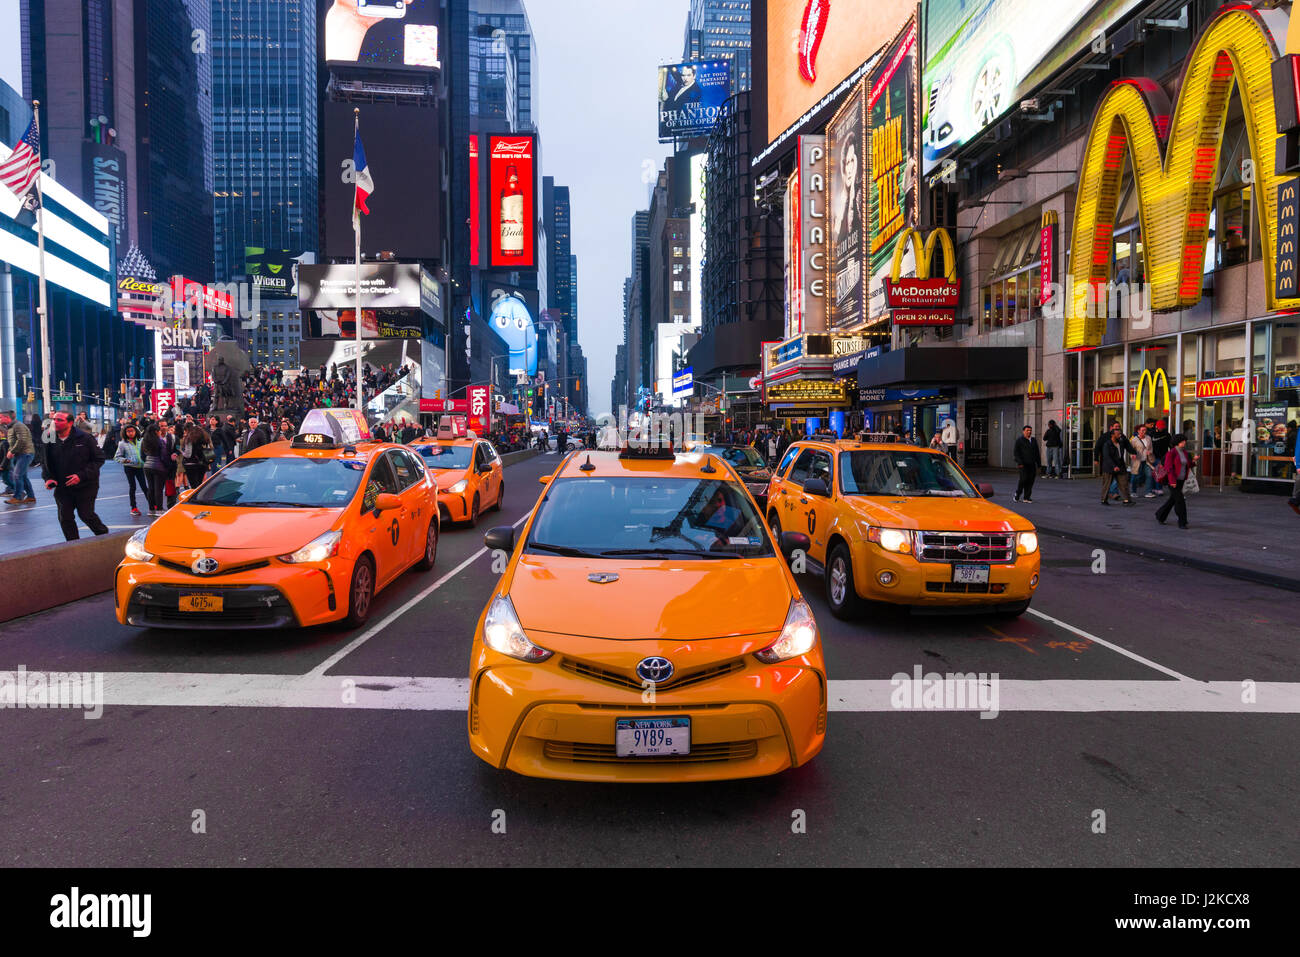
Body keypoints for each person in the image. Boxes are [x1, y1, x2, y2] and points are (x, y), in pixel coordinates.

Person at [41, 410, 109, 540]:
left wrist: (81, 476)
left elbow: (99, 459)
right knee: (65, 518)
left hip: (86, 485)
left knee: (86, 515)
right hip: (62, 486)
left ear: (70, 423)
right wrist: (48, 478)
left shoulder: (85, 438)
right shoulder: (49, 438)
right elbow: (45, 461)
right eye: (54, 419)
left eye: (59, 420)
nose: (55, 422)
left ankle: (104, 538)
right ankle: (73, 545)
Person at [1156, 434, 1193, 528]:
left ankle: (1160, 515)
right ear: (1177, 442)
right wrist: (1172, 481)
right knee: (1180, 501)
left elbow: (1186, 464)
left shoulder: (1184, 452)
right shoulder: (1171, 453)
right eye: (1182, 441)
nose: (1184, 442)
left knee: (1172, 500)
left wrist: (1193, 462)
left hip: (1181, 480)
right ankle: (1182, 522)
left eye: (1184, 440)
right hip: (1173, 481)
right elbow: (1169, 468)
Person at [1, 410, 37, 505]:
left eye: (1, 417)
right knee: (23, 476)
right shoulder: (11, 427)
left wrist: (12, 451)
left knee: (16, 475)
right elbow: (13, 441)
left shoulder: (18, 426)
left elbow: (22, 440)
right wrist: (12, 450)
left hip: (25, 453)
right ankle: (31, 497)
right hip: (20, 454)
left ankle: (17, 497)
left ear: (7, 418)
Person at [113, 423, 148, 516]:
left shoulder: (142, 441)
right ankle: (134, 508)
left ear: (136, 431)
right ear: (125, 433)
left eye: (132, 431)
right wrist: (126, 460)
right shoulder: (122, 444)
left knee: (145, 487)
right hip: (129, 468)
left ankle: (153, 505)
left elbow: (146, 452)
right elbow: (117, 457)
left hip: (141, 467)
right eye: (128, 431)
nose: (130, 433)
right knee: (133, 487)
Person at [1100, 427, 1134, 505]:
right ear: (1112, 435)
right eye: (1118, 434)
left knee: (1124, 483)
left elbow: (1128, 448)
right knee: (1107, 484)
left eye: (1120, 434)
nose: (1120, 435)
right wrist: (1114, 466)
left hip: (1120, 466)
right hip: (1109, 467)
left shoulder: (1121, 443)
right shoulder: (1107, 444)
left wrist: (1134, 452)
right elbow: (1107, 457)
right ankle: (1104, 499)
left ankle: (1127, 500)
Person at [140, 423, 168, 513]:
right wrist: (166, 465)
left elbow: (142, 455)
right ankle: (159, 509)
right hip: (159, 467)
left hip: (147, 467)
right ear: (156, 432)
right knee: (158, 489)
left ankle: (151, 509)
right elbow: (163, 455)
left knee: (151, 488)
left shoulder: (144, 441)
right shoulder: (160, 441)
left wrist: (147, 461)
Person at [180, 423, 212, 491]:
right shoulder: (205, 437)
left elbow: (188, 454)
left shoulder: (189, 438)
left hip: (191, 464)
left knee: (193, 486)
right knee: (199, 484)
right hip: (202, 463)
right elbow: (209, 450)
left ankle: (195, 500)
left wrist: (181, 451)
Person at [1013, 425, 1040, 503]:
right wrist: (1019, 462)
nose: (1029, 432)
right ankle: (1017, 494)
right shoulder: (1019, 440)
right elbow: (1016, 453)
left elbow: (1037, 452)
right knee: (1023, 479)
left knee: (1030, 480)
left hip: (1032, 464)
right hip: (1023, 465)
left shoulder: (1034, 440)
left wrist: (1039, 464)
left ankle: (1027, 497)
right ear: (1023, 431)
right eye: (1027, 430)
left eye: (1030, 430)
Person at [1129, 423, 1157, 498]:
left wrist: (1150, 452)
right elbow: (1130, 450)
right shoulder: (1134, 440)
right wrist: (1132, 455)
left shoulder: (1148, 438)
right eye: (1142, 430)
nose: (1144, 432)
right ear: (1138, 431)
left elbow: (1151, 448)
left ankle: (1148, 492)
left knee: (1149, 475)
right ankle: (1133, 491)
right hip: (1137, 461)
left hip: (1147, 460)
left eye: (1145, 430)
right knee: (1135, 476)